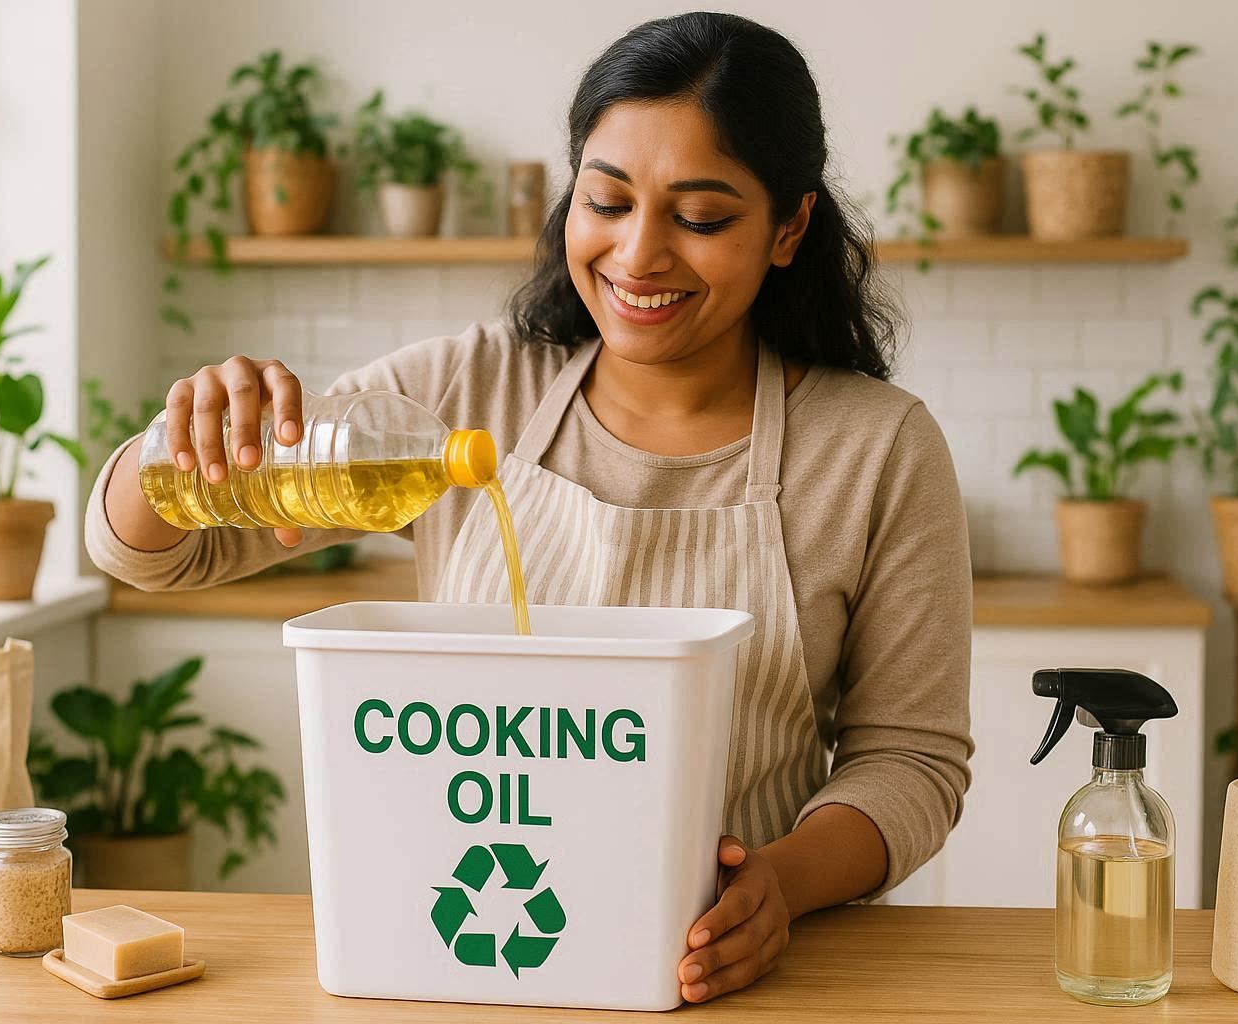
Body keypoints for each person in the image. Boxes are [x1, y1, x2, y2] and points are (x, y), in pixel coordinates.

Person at [88, 11, 972, 1004]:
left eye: (702, 217)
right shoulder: (467, 395)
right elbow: (149, 555)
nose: (639, 255)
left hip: (739, 976)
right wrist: (186, 442)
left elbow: (911, 756)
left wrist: (784, 883)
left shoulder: (875, 448)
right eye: (607, 200)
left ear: (789, 227)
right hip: (455, 957)